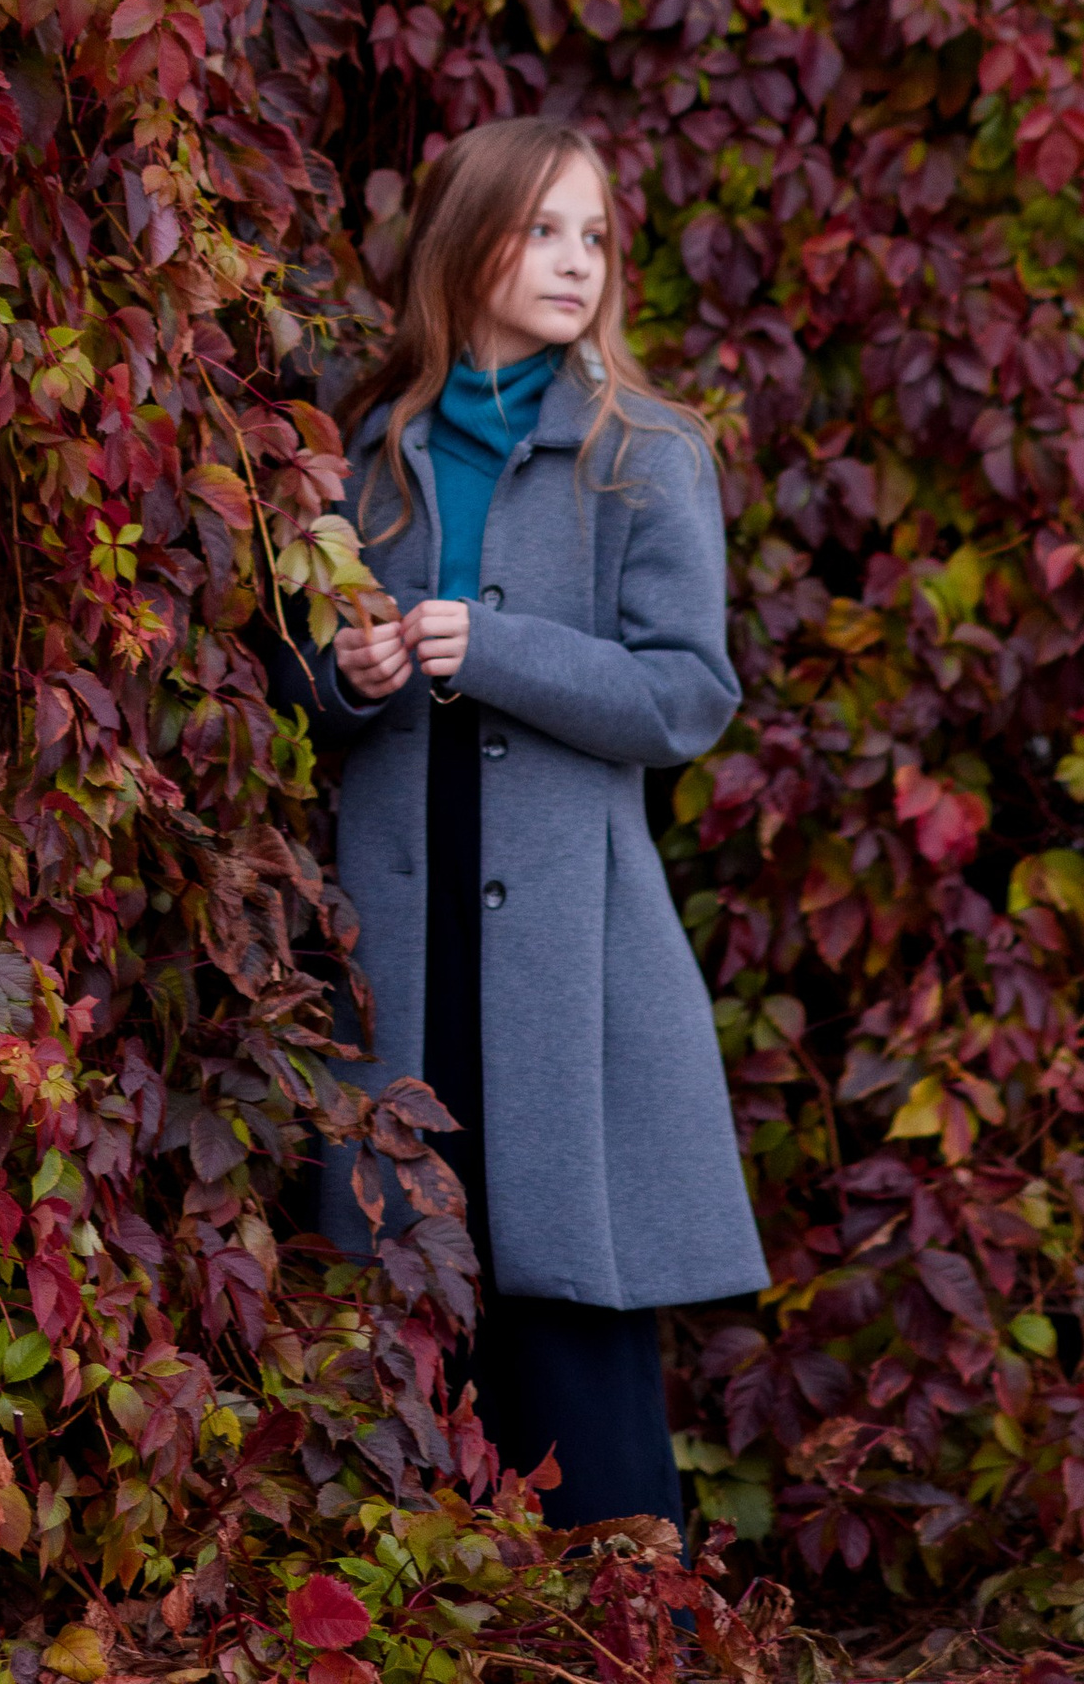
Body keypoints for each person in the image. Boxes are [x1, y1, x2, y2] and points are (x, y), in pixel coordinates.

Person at [304, 115, 764, 1531]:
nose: (576, 262)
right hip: (399, 919)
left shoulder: (644, 450)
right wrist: (354, 675)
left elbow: (689, 697)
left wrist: (490, 648)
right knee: (402, 1274)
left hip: (568, 936)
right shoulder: (366, 447)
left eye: (595, 236)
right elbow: (296, 691)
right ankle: (431, 1600)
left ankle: (630, 1615)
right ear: (466, 240)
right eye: (543, 228)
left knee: (570, 1281)